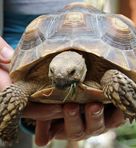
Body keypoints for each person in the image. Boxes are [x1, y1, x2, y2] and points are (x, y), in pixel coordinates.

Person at [0, 0, 125, 146]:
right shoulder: (35, 78)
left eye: (71, 72)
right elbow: (16, 91)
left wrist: (129, 101)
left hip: (96, 24)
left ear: (82, 66)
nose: (60, 76)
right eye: (52, 71)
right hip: (14, 35)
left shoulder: (106, 74)